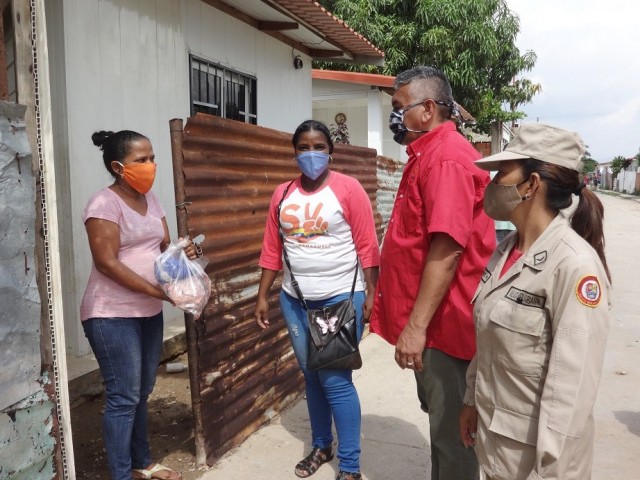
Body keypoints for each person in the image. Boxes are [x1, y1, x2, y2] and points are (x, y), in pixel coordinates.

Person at [459, 124, 612, 480]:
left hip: (536, 463)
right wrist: (471, 399)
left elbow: (573, 390)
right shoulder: (507, 250)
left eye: (502, 172)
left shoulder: (575, 265)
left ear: (531, 184)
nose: (493, 183)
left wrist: (551, 470)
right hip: (497, 446)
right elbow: (489, 340)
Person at [369, 66, 495, 480]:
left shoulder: (446, 159)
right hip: (435, 325)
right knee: (442, 430)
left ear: (427, 110)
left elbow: (447, 249)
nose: (395, 116)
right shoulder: (427, 155)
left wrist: (416, 327)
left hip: (445, 327)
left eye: (399, 107)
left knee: (454, 438)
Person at [255, 120, 380, 480]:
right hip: (295, 300)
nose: (312, 154)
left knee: (335, 381)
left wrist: (372, 293)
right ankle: (322, 446)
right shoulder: (282, 194)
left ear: (331, 151)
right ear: (294, 152)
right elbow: (272, 249)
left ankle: (350, 466)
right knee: (312, 375)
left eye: (319, 147)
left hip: (339, 297)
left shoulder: (348, 189)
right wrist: (262, 295)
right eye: (304, 148)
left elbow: (368, 246)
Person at [81, 130, 198, 480]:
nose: (151, 165)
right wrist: (159, 292)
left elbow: (162, 247)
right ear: (119, 167)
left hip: (148, 312)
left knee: (142, 391)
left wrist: (184, 252)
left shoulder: (152, 199)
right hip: (110, 314)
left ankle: (141, 463)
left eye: (152, 158)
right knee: (123, 396)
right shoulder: (104, 203)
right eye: (142, 160)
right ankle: (121, 474)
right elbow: (106, 263)